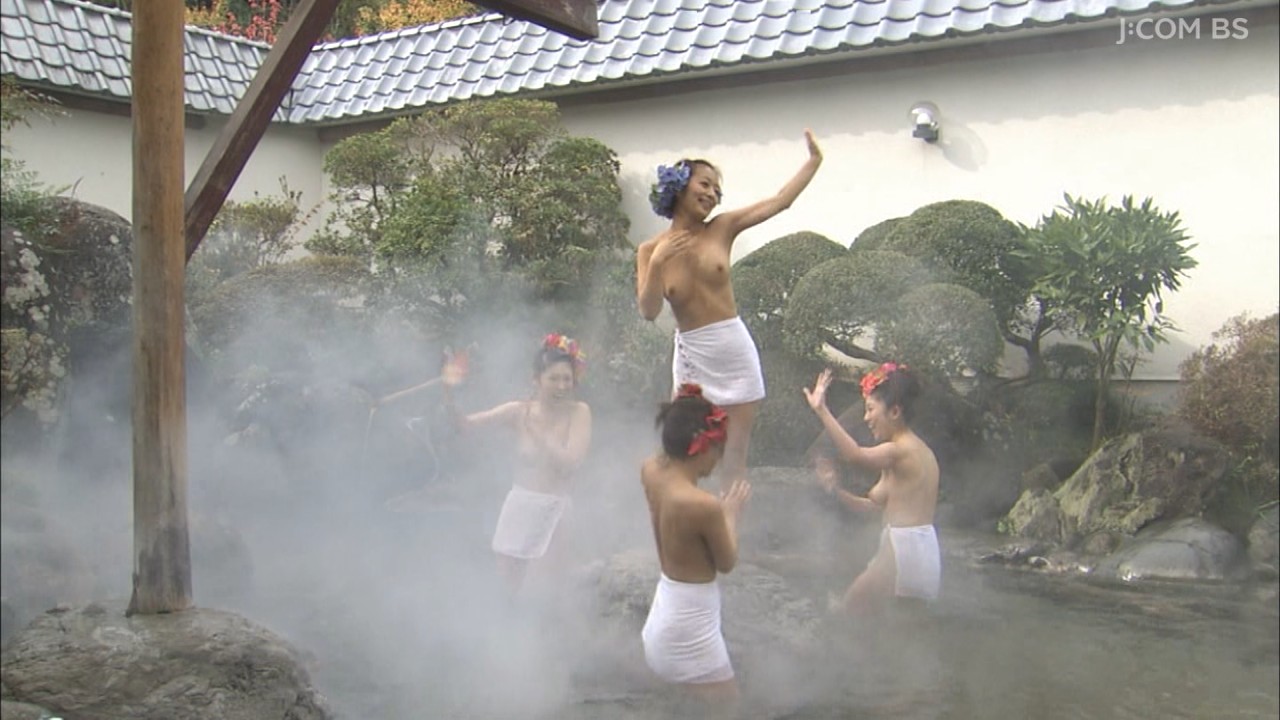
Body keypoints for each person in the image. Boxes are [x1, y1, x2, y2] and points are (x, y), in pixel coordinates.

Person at [636, 131, 823, 493]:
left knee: (734, 455)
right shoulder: (649, 251)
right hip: (692, 354)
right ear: (679, 187)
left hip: (733, 349)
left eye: (717, 190)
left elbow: (780, 202)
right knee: (683, 447)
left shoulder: (722, 228)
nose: (712, 194)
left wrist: (813, 162)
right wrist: (658, 263)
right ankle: (680, 513)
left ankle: (729, 522)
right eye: (704, 184)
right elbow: (649, 311)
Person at [446, 334, 593, 594]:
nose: (561, 386)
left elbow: (571, 462)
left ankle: (551, 618)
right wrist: (448, 393)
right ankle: (506, 618)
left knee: (543, 587)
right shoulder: (519, 411)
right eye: (554, 379)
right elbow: (466, 425)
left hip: (554, 506)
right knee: (507, 584)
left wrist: (538, 434)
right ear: (537, 379)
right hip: (520, 502)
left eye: (567, 379)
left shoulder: (578, 412)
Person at [640, 383, 752, 708]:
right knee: (728, 707)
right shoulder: (701, 504)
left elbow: (665, 455)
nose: (718, 461)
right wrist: (730, 514)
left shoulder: (650, 470)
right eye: (718, 450)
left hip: (665, 610)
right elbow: (727, 562)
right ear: (701, 447)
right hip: (689, 628)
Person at [803, 363, 941, 615]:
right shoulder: (919, 453)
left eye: (870, 409)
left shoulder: (899, 450)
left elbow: (855, 455)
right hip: (923, 551)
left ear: (895, 411)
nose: (866, 418)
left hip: (901, 548)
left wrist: (822, 411)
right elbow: (873, 507)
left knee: (846, 614)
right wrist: (834, 490)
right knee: (900, 630)